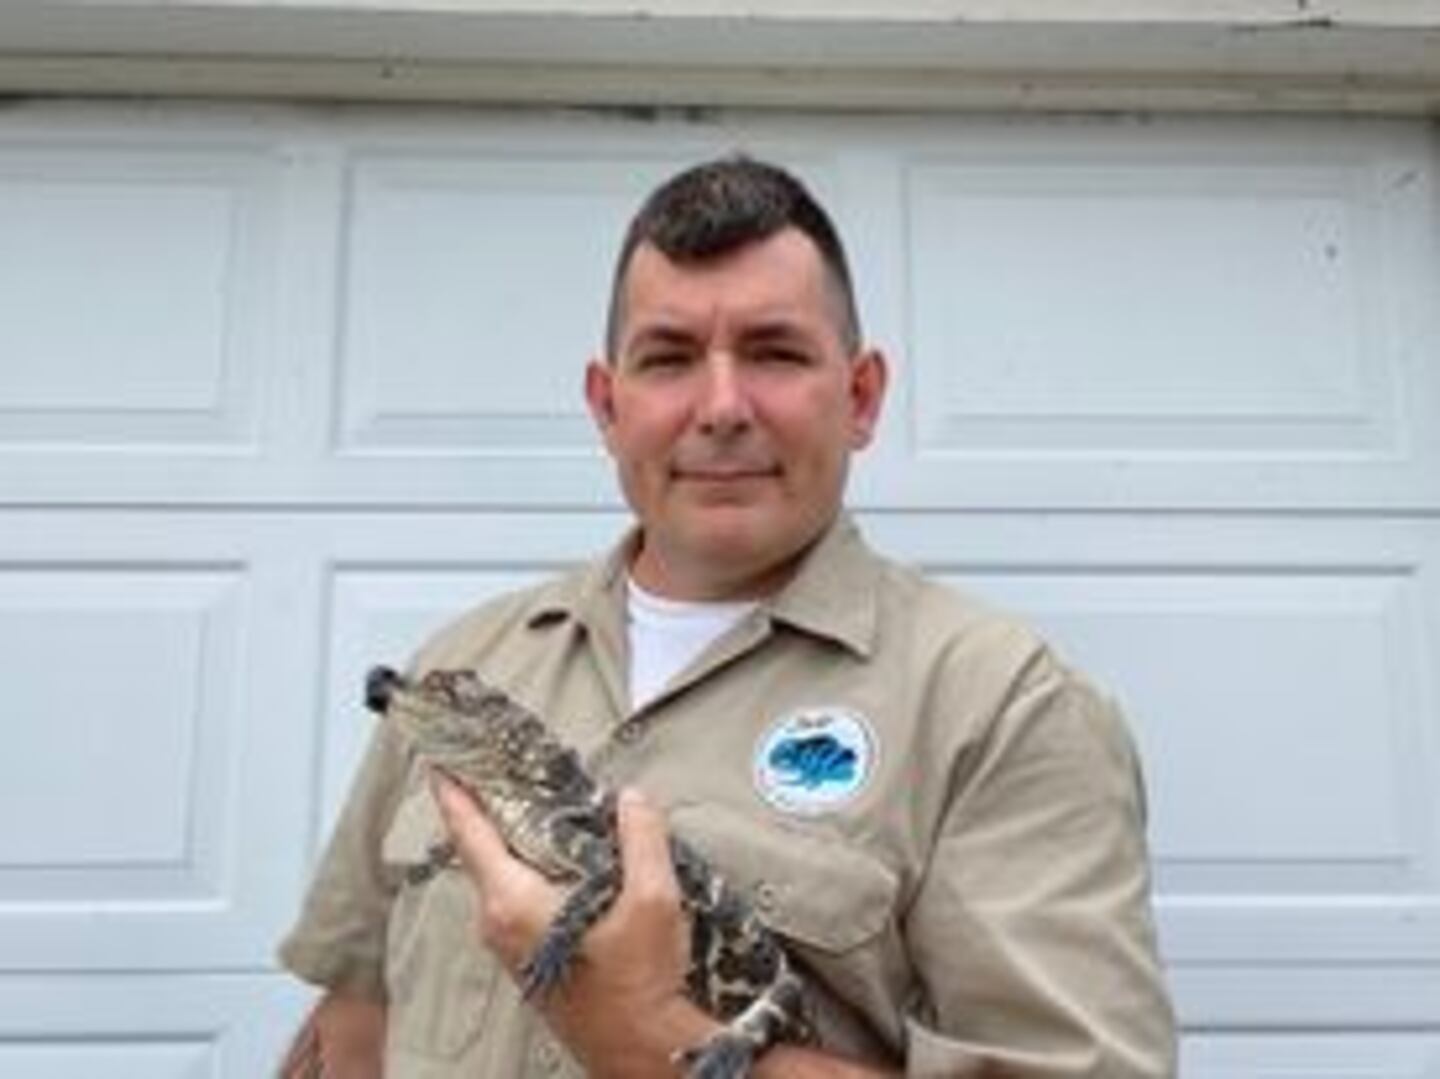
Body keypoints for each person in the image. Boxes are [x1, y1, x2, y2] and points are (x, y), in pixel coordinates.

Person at [278, 156, 1177, 1077]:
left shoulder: (1003, 708)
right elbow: (356, 1015)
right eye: (668, 358)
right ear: (607, 404)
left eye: (775, 353)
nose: (720, 409)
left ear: (862, 397)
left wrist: (644, 1035)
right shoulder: (467, 666)